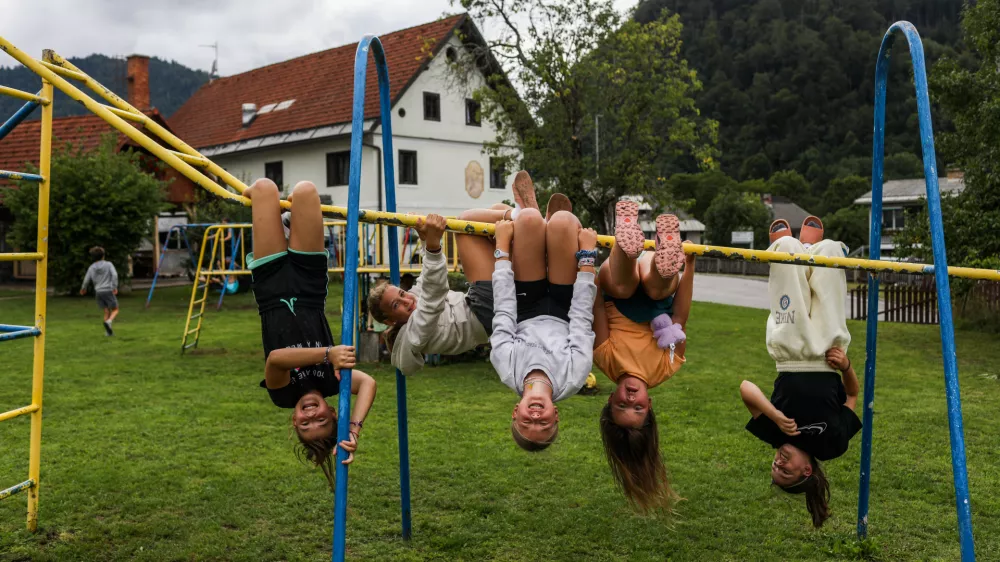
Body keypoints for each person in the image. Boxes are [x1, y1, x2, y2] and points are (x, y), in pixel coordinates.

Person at [368, 170, 571, 376]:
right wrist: (432, 246)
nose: (407, 300)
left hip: (483, 307)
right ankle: (526, 220)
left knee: (495, 211)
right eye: (396, 305)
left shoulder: (413, 301)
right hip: (485, 312)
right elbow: (433, 292)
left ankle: (534, 227)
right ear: (390, 321)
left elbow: (424, 281)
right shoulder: (414, 334)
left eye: (401, 294)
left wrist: (423, 238)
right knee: (465, 224)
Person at [245, 178, 377, 489]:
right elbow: (369, 383)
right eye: (322, 420)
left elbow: (276, 359)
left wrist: (327, 354)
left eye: (305, 425)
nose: (311, 416)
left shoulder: (283, 395)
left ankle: (277, 219)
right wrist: (354, 429)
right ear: (333, 413)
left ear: (294, 421)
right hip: (309, 284)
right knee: (305, 191)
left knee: (264, 188)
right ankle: (288, 221)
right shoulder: (333, 383)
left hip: (271, 285)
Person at [739, 216, 861, 528]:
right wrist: (846, 366)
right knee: (831, 262)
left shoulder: (774, 433)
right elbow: (851, 394)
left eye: (774, 468)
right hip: (827, 355)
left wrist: (775, 415)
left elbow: (745, 388)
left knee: (786, 254)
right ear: (806, 470)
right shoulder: (832, 445)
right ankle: (818, 248)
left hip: (791, 351)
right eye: (785, 470)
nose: (778, 462)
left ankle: (795, 247)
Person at [592, 201, 694, 511]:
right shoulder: (666, 366)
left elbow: (596, 305)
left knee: (623, 287)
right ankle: (668, 256)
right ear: (649, 407)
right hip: (655, 291)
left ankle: (626, 235)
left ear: (611, 399)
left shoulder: (606, 359)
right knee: (657, 288)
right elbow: (680, 316)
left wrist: (592, 275)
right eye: (637, 408)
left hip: (616, 289)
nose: (631, 397)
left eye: (623, 404)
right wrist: (689, 266)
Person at [490, 209, 598, 451]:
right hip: (566, 308)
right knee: (563, 222)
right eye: (544, 423)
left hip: (526, 307)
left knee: (527, 218)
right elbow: (581, 319)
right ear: (556, 414)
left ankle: (536, 222)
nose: (536, 418)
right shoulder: (574, 377)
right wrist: (587, 256)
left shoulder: (506, 367)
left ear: (515, 412)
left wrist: (502, 248)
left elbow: (504, 311)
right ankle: (550, 231)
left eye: (527, 422)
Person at [79, 246, 119, 336]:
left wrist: (83, 288)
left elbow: (86, 279)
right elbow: (114, 275)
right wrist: (114, 286)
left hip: (98, 292)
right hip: (108, 290)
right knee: (115, 309)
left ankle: (108, 332)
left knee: (106, 311)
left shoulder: (91, 267)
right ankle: (109, 321)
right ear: (103, 256)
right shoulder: (108, 264)